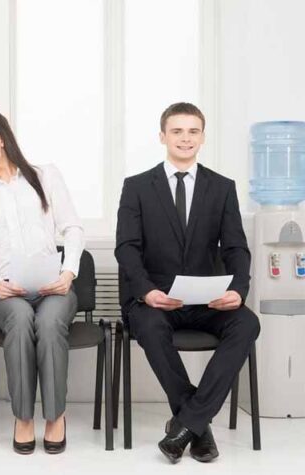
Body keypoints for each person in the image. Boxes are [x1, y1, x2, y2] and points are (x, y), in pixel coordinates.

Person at [115, 102, 260, 463]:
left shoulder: (222, 188)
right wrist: (147, 291)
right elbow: (127, 248)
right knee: (149, 327)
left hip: (205, 300)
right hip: (155, 299)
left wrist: (238, 291)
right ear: (162, 136)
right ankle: (197, 426)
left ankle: (185, 424)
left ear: (203, 137)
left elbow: (236, 247)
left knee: (247, 323)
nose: (185, 138)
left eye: (193, 131)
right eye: (177, 131)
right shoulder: (137, 187)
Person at [0, 110, 84, 455]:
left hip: (53, 288)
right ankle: (23, 417)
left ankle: (55, 416)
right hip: (6, 293)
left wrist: (68, 273)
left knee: (48, 323)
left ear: (1, 138)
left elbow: (73, 228)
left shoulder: (45, 176)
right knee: (19, 319)